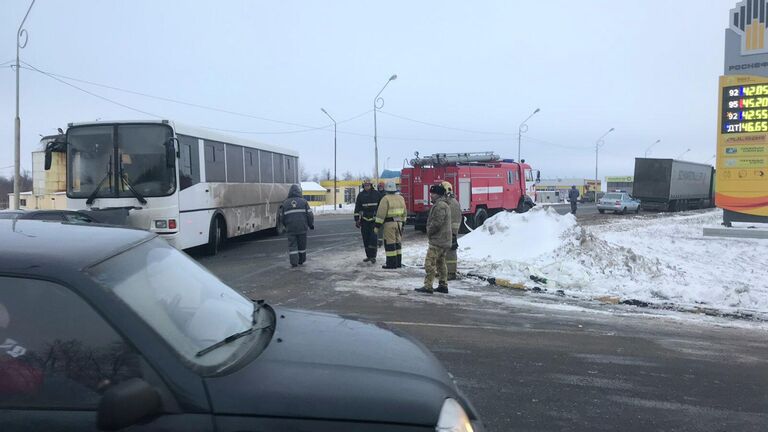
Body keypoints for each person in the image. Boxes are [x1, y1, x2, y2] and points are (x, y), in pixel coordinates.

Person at [416, 184, 452, 294]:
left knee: (429, 263)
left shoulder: (440, 206)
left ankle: (428, 286)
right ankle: (443, 285)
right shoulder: (443, 204)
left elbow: (437, 223)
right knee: (441, 263)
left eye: (433, 194)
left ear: (438, 195)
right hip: (443, 240)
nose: (431, 196)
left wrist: (429, 231)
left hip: (438, 240)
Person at [280, 184, 314, 267]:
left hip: (290, 228)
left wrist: (285, 226)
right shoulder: (304, 202)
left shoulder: (285, 203)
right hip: (302, 227)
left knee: (292, 246)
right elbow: (310, 215)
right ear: (299, 192)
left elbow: (281, 217)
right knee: (302, 244)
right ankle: (301, 260)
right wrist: (310, 225)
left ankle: (294, 262)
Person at [374, 181, 406, 269]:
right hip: (399, 223)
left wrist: (377, 226)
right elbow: (405, 212)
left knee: (390, 243)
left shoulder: (385, 199)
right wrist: (403, 223)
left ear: (386, 189)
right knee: (398, 243)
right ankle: (398, 262)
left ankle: (391, 264)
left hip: (389, 224)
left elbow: (381, 214)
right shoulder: (401, 198)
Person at [353, 179, 381, 263]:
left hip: (374, 220)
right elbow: (357, 208)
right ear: (363, 186)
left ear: (371, 185)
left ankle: (373, 256)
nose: (367, 187)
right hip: (364, 220)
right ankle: (368, 256)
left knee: (373, 239)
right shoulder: (360, 195)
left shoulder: (377, 194)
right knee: (366, 239)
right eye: (365, 185)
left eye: (368, 185)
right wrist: (357, 220)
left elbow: (381, 207)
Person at [441, 181, 461, 280]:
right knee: (450, 251)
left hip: (448, 230)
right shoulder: (455, 202)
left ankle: (450, 273)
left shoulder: (447, 203)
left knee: (449, 252)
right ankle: (448, 272)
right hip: (453, 230)